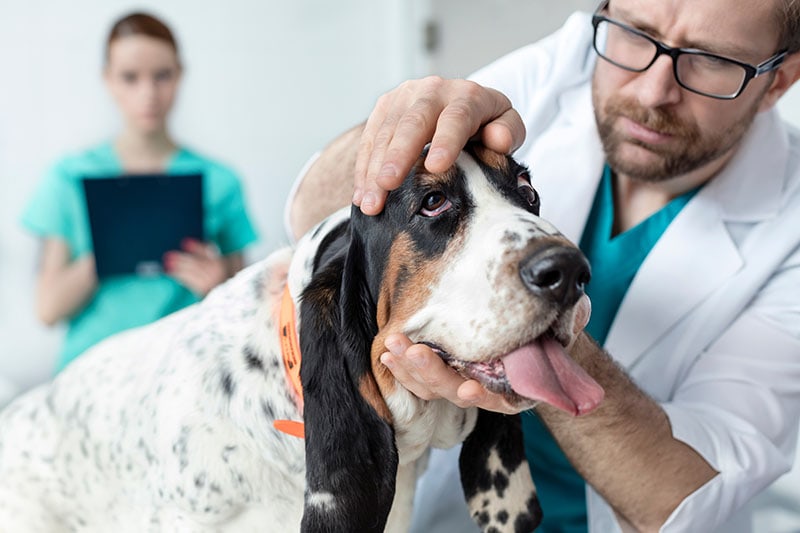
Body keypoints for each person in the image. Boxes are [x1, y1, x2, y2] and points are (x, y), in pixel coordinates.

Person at [285, 0, 800, 531]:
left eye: (712, 60)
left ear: (779, 81)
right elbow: (308, 212)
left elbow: (679, 497)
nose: (653, 91)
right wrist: (397, 130)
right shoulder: (573, 56)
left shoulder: (792, 234)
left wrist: (528, 319)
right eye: (637, 33)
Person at [21, 12, 258, 373]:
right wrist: (109, 250)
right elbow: (48, 308)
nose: (148, 93)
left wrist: (217, 284)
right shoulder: (70, 177)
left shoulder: (219, 181)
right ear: (108, 80)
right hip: (89, 374)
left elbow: (251, 308)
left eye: (162, 76)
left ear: (179, 75)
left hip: (184, 374)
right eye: (130, 77)